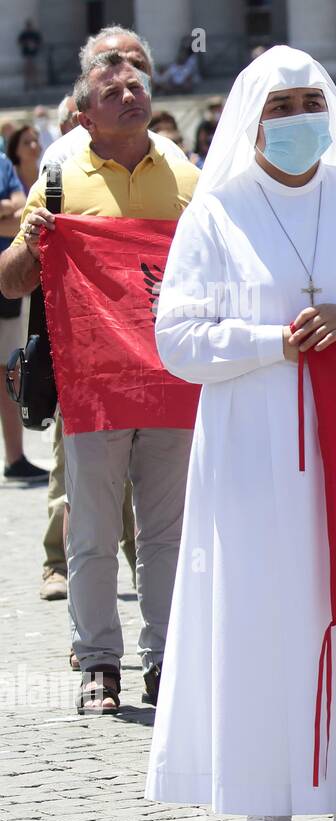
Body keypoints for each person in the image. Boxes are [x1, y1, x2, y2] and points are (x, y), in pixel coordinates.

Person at [145, 47, 336, 821]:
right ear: (251, 121)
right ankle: (262, 805)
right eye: (278, 108)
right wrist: (271, 343)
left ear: (334, 112)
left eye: (309, 102)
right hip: (253, 455)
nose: (296, 120)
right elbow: (176, 340)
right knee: (258, 617)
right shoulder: (216, 213)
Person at [0, 49, 200, 716]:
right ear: (83, 115)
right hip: (91, 390)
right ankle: (99, 663)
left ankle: (169, 658)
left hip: (172, 382)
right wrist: (36, 243)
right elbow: (11, 279)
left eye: (136, 84)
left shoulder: (185, 175)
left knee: (167, 534)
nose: (129, 94)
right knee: (89, 533)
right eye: (111, 90)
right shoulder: (57, 176)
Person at [40, 27, 191, 174]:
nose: (127, 75)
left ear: (151, 74)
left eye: (137, 65)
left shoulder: (173, 156)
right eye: (109, 66)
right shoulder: (62, 158)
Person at [0, 147, 47, 484]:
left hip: (5, 280)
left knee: (7, 367)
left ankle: (15, 458)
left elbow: (17, 212)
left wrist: (9, 212)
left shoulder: (2, 163)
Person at [19, 20, 42, 91]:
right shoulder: (24, 34)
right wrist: (26, 43)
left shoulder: (34, 34)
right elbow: (20, 42)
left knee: (34, 68)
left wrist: (34, 45)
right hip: (26, 54)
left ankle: (35, 83)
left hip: (34, 54)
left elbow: (40, 42)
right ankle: (27, 84)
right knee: (27, 69)